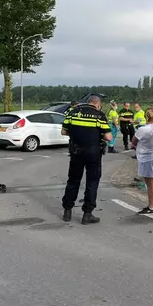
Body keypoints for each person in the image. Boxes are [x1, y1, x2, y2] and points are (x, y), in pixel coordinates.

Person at [61, 95, 113, 224]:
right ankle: (87, 214)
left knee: (73, 181)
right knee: (92, 182)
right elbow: (109, 137)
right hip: (93, 153)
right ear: (98, 105)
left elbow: (63, 131)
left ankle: (67, 211)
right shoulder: (99, 115)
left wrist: (76, 134)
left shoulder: (73, 113)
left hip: (76, 151)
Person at [131, 107, 153, 214]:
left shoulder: (142, 130)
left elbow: (134, 140)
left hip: (146, 158)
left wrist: (134, 145)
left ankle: (151, 206)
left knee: (150, 184)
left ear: (145, 116)